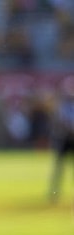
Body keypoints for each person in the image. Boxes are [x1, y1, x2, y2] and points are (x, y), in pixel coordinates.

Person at [48, 75, 74, 203]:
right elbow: (62, 121)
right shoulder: (63, 105)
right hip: (66, 138)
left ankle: (55, 191)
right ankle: (54, 192)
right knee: (59, 166)